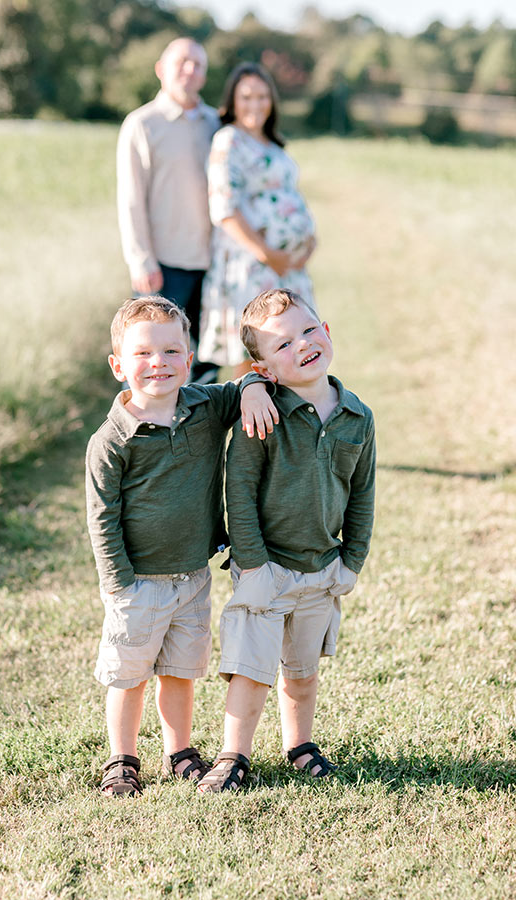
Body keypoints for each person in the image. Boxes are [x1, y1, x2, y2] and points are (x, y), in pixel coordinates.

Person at [86, 296, 278, 798]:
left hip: (193, 574)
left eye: (172, 351)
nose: (159, 363)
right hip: (137, 581)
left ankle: (180, 751)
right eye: (144, 354)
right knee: (129, 675)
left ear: (189, 359)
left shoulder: (205, 406)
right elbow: (101, 518)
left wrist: (254, 388)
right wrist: (117, 585)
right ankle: (122, 758)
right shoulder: (111, 441)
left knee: (180, 671)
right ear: (118, 365)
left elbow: (245, 382)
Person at [197, 289, 376, 793]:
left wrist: (352, 560)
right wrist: (252, 565)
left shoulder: (358, 417)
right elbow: (241, 490)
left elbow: (362, 492)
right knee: (250, 669)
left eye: (308, 330)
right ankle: (234, 755)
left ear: (328, 330)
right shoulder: (264, 414)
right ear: (266, 369)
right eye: (282, 344)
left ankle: (300, 745)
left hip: (323, 565)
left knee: (301, 669)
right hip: (266, 566)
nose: (302, 345)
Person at [198, 63, 317, 378]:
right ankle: (249, 424)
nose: (255, 104)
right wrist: (268, 254)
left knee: (292, 352)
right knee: (255, 357)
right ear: (232, 101)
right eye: (246, 96)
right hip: (252, 263)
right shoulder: (229, 140)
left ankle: (284, 426)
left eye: (263, 96)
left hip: (287, 268)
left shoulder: (273, 144)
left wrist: (308, 241)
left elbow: (291, 194)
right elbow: (223, 208)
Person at [117, 38, 220, 383]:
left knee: (207, 361)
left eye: (198, 65)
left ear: (205, 75)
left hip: (214, 262)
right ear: (161, 70)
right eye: (182, 62)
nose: (190, 70)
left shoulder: (216, 123)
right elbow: (131, 198)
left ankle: (204, 433)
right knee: (159, 363)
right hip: (164, 265)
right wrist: (140, 259)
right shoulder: (142, 124)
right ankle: (159, 433)